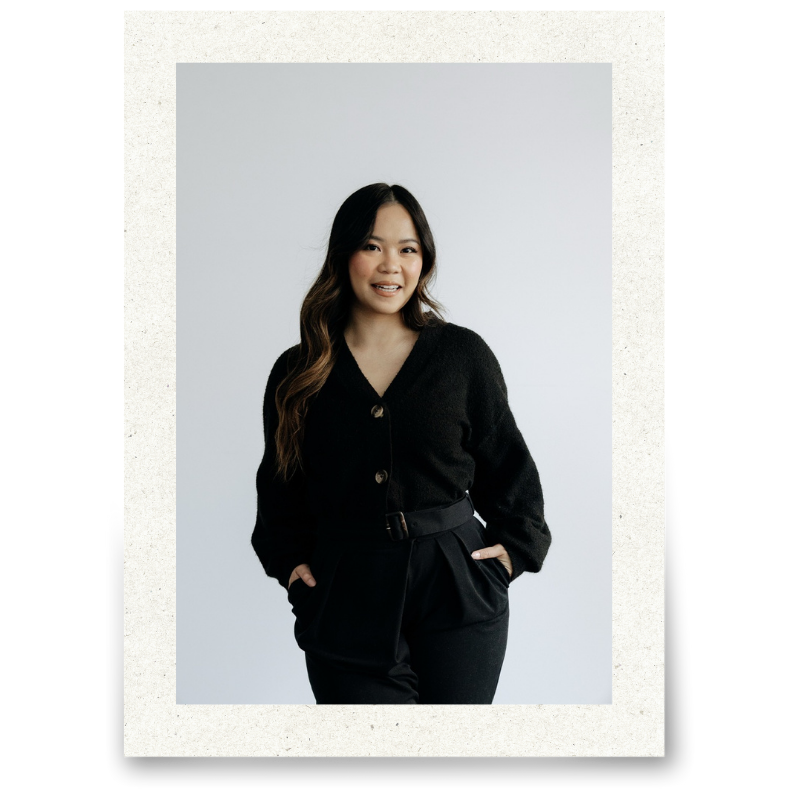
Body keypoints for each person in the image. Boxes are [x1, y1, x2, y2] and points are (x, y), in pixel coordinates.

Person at [251, 183, 551, 704]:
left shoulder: (462, 356)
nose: (391, 265)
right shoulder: (298, 372)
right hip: (345, 591)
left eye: (407, 249)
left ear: (423, 261)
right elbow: (280, 487)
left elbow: (509, 465)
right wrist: (291, 567)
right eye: (372, 246)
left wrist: (513, 554)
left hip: (458, 586)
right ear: (344, 255)